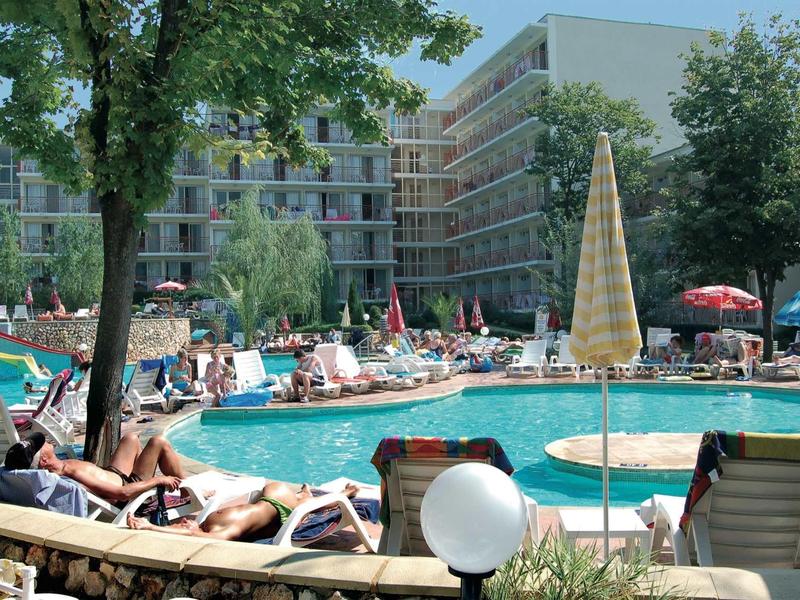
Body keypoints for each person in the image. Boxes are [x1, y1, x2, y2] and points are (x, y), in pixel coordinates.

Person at [126, 481, 360, 541]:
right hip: (281, 509)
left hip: (270, 497)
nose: (181, 523)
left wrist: (152, 526)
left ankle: (305, 494)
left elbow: (188, 532)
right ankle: (343, 494)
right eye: (180, 525)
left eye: (178, 523)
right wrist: (150, 526)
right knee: (304, 504)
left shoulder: (206, 523)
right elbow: (192, 536)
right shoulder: (219, 532)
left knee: (301, 499)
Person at [5, 432, 184, 505]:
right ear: (44, 460)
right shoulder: (70, 472)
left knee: (131, 438)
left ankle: (148, 496)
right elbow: (122, 493)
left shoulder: (60, 466)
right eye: (41, 444)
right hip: (126, 489)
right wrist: (158, 480)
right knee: (158, 442)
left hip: (114, 473)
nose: (45, 441)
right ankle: (188, 491)